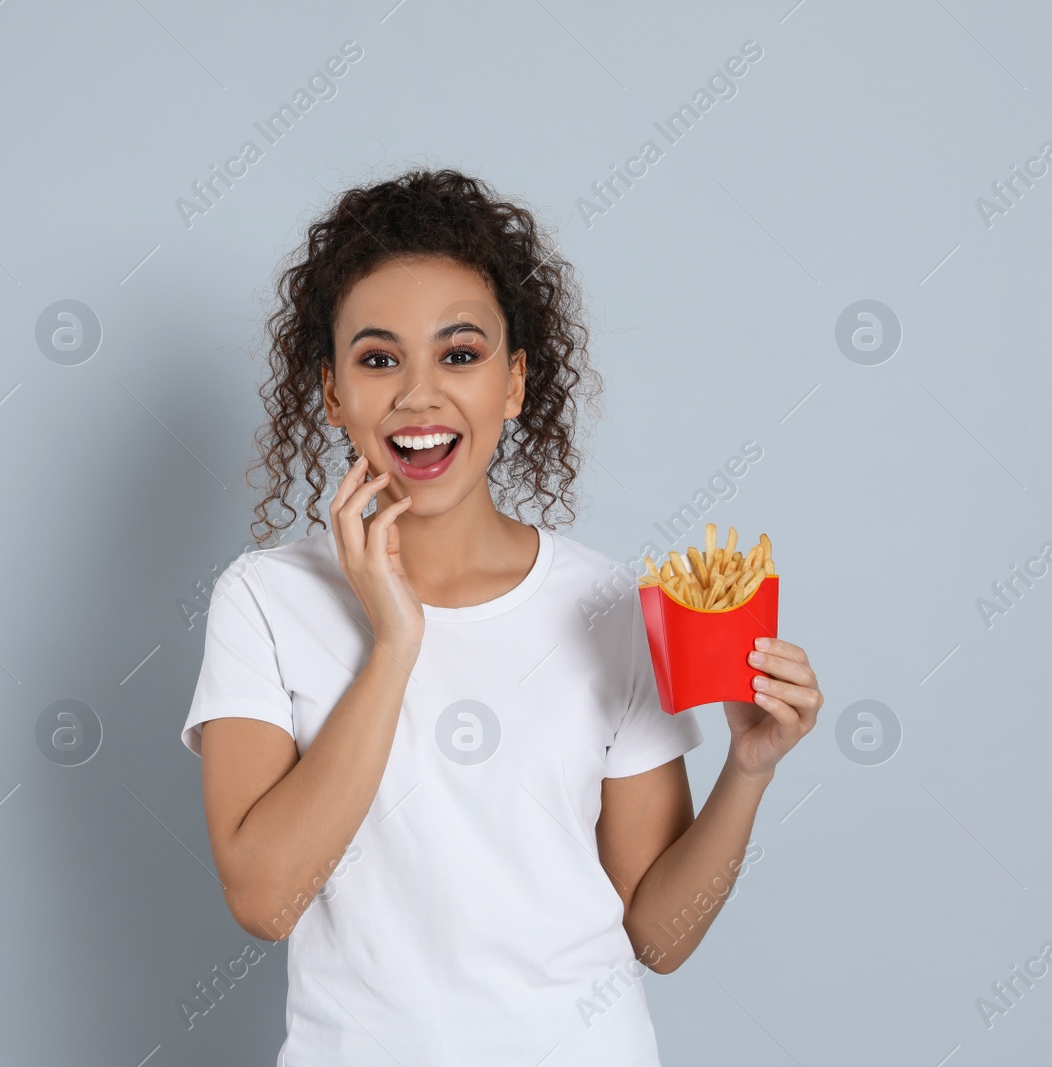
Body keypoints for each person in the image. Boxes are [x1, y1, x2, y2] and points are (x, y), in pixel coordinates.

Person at [180, 167, 824, 1066]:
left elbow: (659, 936)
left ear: (514, 383)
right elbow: (266, 900)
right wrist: (396, 643)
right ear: (331, 393)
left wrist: (749, 770)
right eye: (377, 359)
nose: (418, 395)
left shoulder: (606, 603)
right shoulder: (265, 600)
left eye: (459, 353)